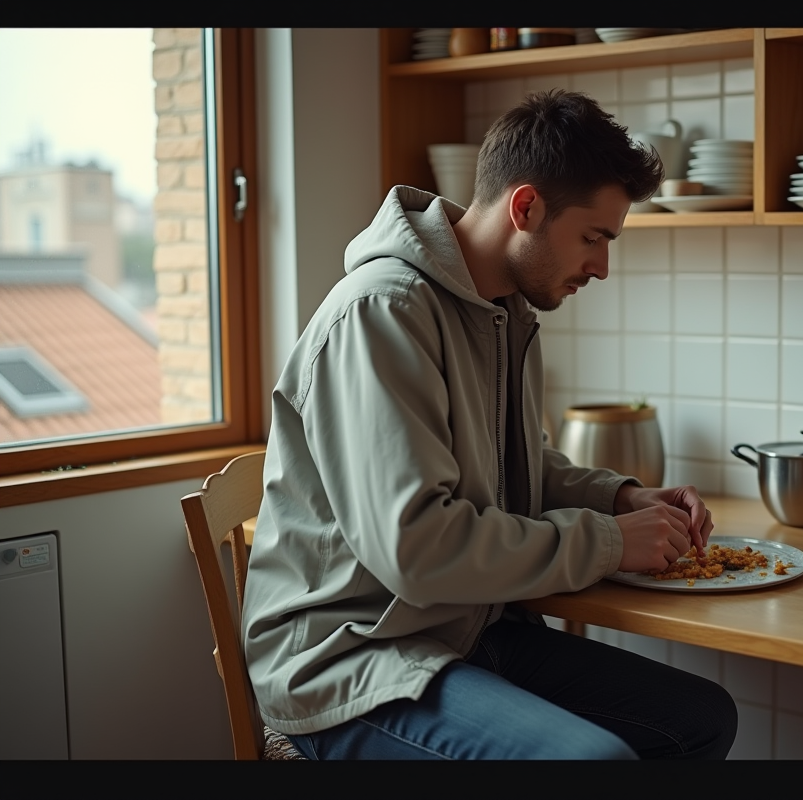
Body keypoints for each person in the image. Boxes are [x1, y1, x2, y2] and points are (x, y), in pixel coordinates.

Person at [240, 89, 738, 760]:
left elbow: (517, 468)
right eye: (594, 237)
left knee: (703, 716)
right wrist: (611, 541)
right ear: (525, 206)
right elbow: (419, 549)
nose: (602, 267)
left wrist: (621, 498)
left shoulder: (499, 311)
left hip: (461, 633)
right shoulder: (382, 314)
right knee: (596, 762)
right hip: (351, 659)